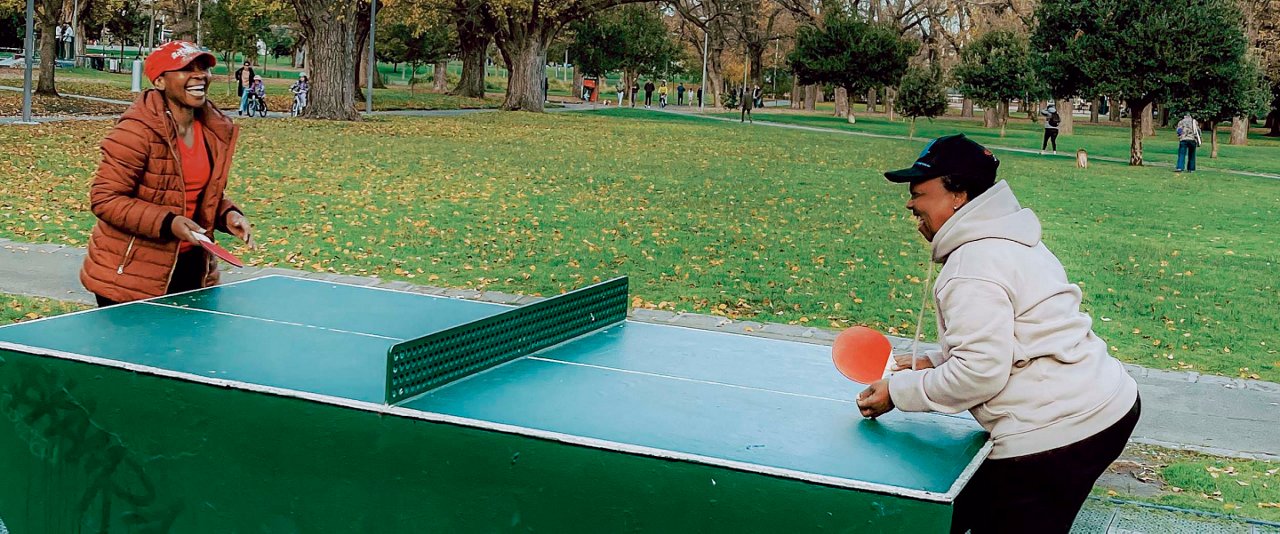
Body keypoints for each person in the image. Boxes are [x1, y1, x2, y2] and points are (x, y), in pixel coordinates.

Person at [857, 133, 1140, 533]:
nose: (910, 203)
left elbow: (979, 373)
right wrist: (937, 360)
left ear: (958, 195)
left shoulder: (972, 264)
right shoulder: (1010, 239)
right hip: (1105, 403)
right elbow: (1017, 334)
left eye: (919, 192)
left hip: (1058, 429)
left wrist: (898, 392)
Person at [80, 41, 254, 307]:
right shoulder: (136, 132)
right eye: (186, 68)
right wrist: (169, 222)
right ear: (160, 81)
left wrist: (226, 214)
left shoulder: (212, 129)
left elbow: (190, 191)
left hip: (191, 268)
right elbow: (105, 199)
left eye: (203, 68)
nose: (199, 75)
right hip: (131, 277)